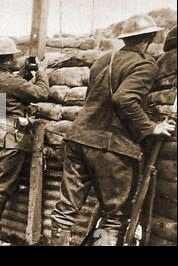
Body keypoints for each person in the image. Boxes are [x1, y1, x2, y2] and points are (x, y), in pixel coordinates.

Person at [50, 15, 176, 246]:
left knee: (66, 209)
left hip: (78, 137)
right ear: (150, 37)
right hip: (112, 147)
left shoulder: (103, 60)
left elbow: (93, 100)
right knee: (115, 215)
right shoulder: (145, 65)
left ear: (125, 38)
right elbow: (124, 98)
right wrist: (151, 127)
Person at [0, 37, 49, 245]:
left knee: (0, 182)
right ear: (8, 59)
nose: (15, 61)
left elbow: (13, 85)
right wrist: (41, 72)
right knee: (3, 187)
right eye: (13, 58)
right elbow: (41, 93)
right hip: (12, 138)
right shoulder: (9, 81)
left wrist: (26, 72)